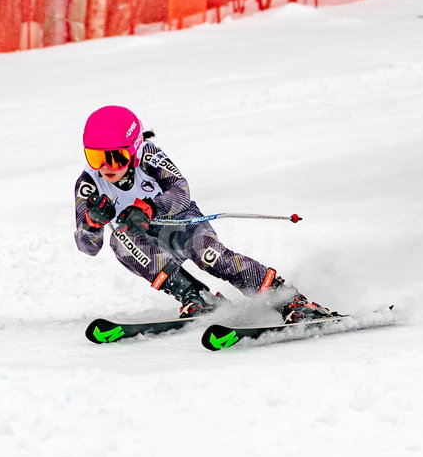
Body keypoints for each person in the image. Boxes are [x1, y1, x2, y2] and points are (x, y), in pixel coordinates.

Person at [73, 105, 334, 322]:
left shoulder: (149, 155)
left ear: (134, 148)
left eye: (115, 158)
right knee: (120, 240)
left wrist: (149, 208)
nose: (106, 168)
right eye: (95, 158)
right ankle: (197, 297)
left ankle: (287, 299)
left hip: (184, 224)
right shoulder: (89, 184)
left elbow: (180, 189)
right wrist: (92, 223)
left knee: (208, 254)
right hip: (147, 241)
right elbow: (88, 248)